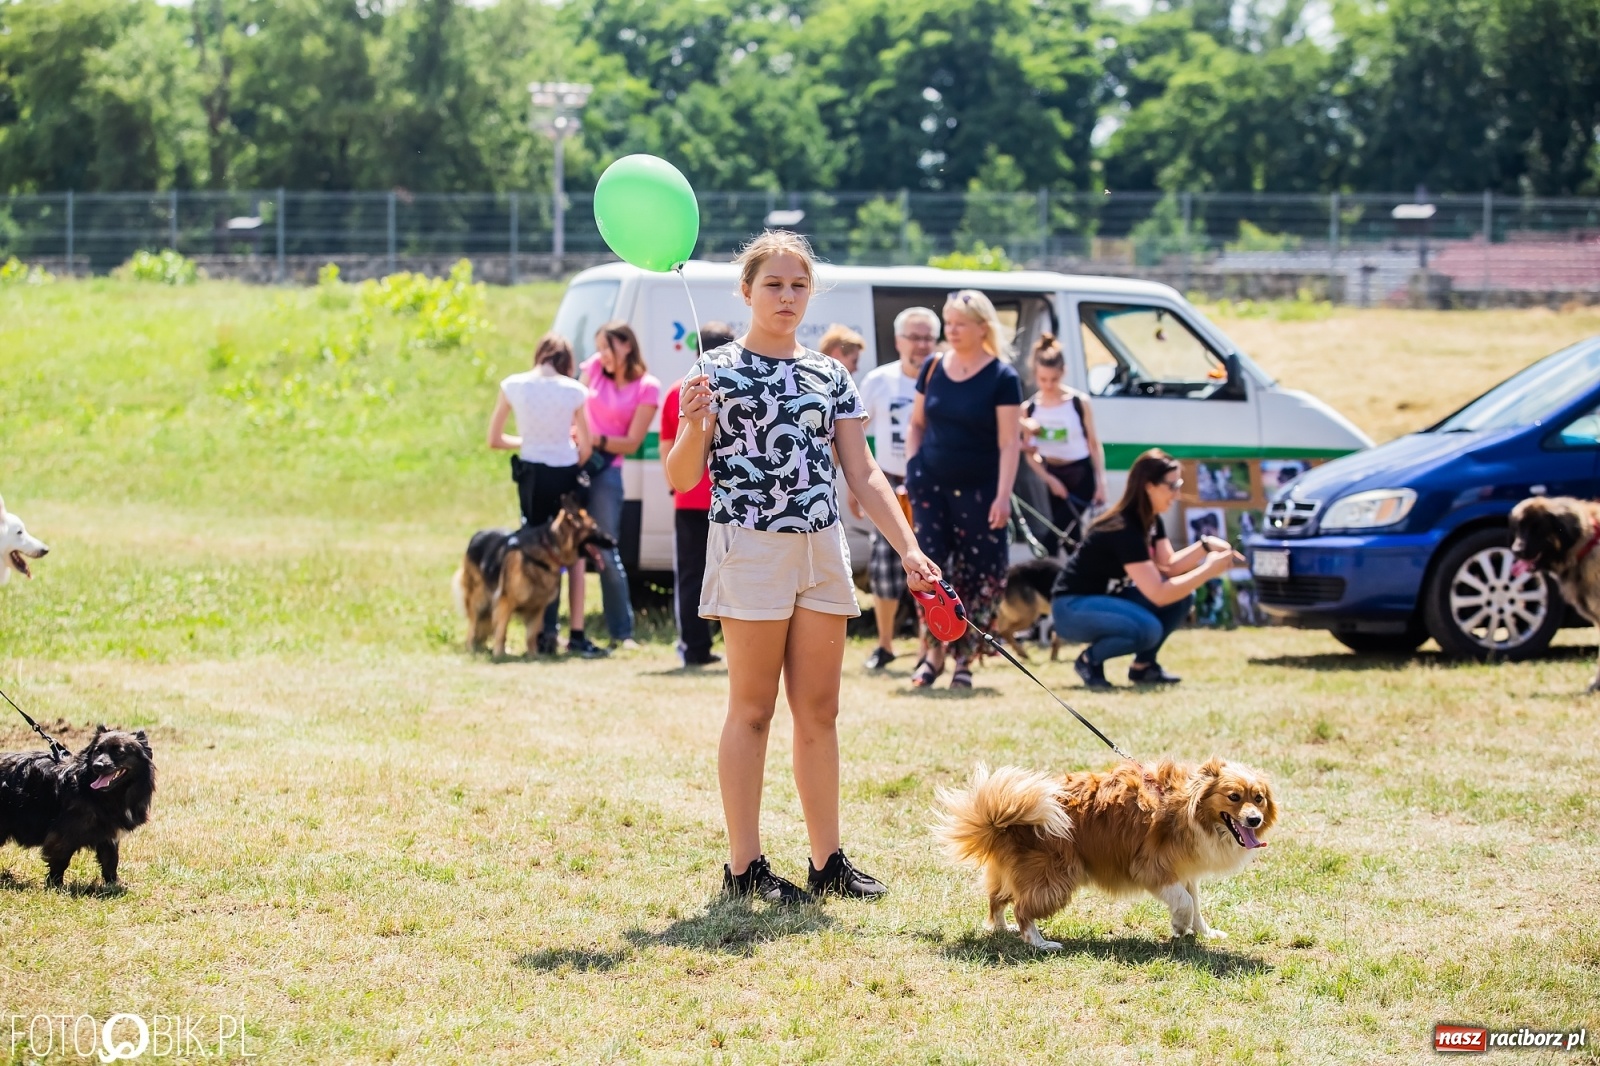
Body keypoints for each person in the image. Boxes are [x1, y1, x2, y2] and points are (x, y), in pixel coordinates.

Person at [667, 230, 940, 904]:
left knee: (820, 711)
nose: (787, 296)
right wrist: (694, 425)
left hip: (822, 550)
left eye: (798, 285)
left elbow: (864, 471)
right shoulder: (712, 372)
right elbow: (680, 477)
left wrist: (908, 546)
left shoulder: (830, 373)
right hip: (748, 547)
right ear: (747, 291)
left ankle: (827, 862)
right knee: (753, 710)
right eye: (774, 285)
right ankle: (744, 869)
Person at [904, 289, 1023, 690]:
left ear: (982, 328)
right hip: (931, 488)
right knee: (932, 572)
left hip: (980, 492)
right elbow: (917, 422)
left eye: (960, 324)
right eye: (948, 323)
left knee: (979, 573)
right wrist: (913, 465)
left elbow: (1010, 442)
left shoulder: (1002, 377)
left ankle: (965, 660)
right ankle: (932, 655)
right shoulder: (934, 366)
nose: (951, 331)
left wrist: (1003, 495)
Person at [1050, 449, 1243, 690]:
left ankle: (1144, 667)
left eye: (1179, 484)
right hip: (1072, 609)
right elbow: (1158, 592)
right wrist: (1207, 570)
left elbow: (1169, 566)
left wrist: (1205, 546)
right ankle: (1090, 660)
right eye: (1172, 486)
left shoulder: (1150, 519)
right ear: (1149, 486)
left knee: (1182, 598)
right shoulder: (1124, 528)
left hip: (1104, 602)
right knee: (1148, 628)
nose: (1178, 493)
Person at [486, 331, 608, 658]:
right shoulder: (574, 390)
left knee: (531, 550)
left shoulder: (513, 385)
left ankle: (537, 632)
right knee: (574, 553)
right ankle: (576, 630)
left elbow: (494, 438)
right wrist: (564, 451)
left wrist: (527, 441)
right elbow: (586, 445)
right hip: (565, 475)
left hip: (532, 477)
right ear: (567, 362)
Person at [849, 306, 939, 670]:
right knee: (884, 568)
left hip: (930, 486)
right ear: (899, 341)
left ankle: (925, 651)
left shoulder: (944, 377)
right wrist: (855, 488)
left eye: (928, 338)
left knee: (928, 569)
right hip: (887, 483)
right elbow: (856, 434)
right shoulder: (879, 380)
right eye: (914, 338)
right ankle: (884, 645)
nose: (921, 345)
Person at [580, 322, 661, 651]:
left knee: (605, 550)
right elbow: (574, 403)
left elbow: (630, 443)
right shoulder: (594, 369)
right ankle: (549, 627)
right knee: (555, 545)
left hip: (606, 471)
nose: (601, 355)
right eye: (598, 348)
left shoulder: (647, 387)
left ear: (626, 345)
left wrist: (595, 440)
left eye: (606, 347)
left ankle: (622, 631)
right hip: (575, 461)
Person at [661, 321, 736, 667]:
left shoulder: (678, 390)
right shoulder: (738, 388)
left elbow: (668, 447)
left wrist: (672, 482)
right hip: (732, 501)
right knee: (732, 576)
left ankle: (694, 647)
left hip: (689, 499)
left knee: (692, 575)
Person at [1021, 333, 1106, 557]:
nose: (1048, 385)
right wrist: (1050, 479)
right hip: (1052, 474)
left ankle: (1044, 574)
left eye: (1054, 379)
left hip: (1080, 474)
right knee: (1071, 540)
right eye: (1043, 380)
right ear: (1035, 376)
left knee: (1053, 535)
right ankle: (1072, 583)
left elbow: (1094, 444)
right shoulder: (1029, 409)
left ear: (1063, 373)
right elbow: (1030, 454)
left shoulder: (1078, 402)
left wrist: (1101, 483)